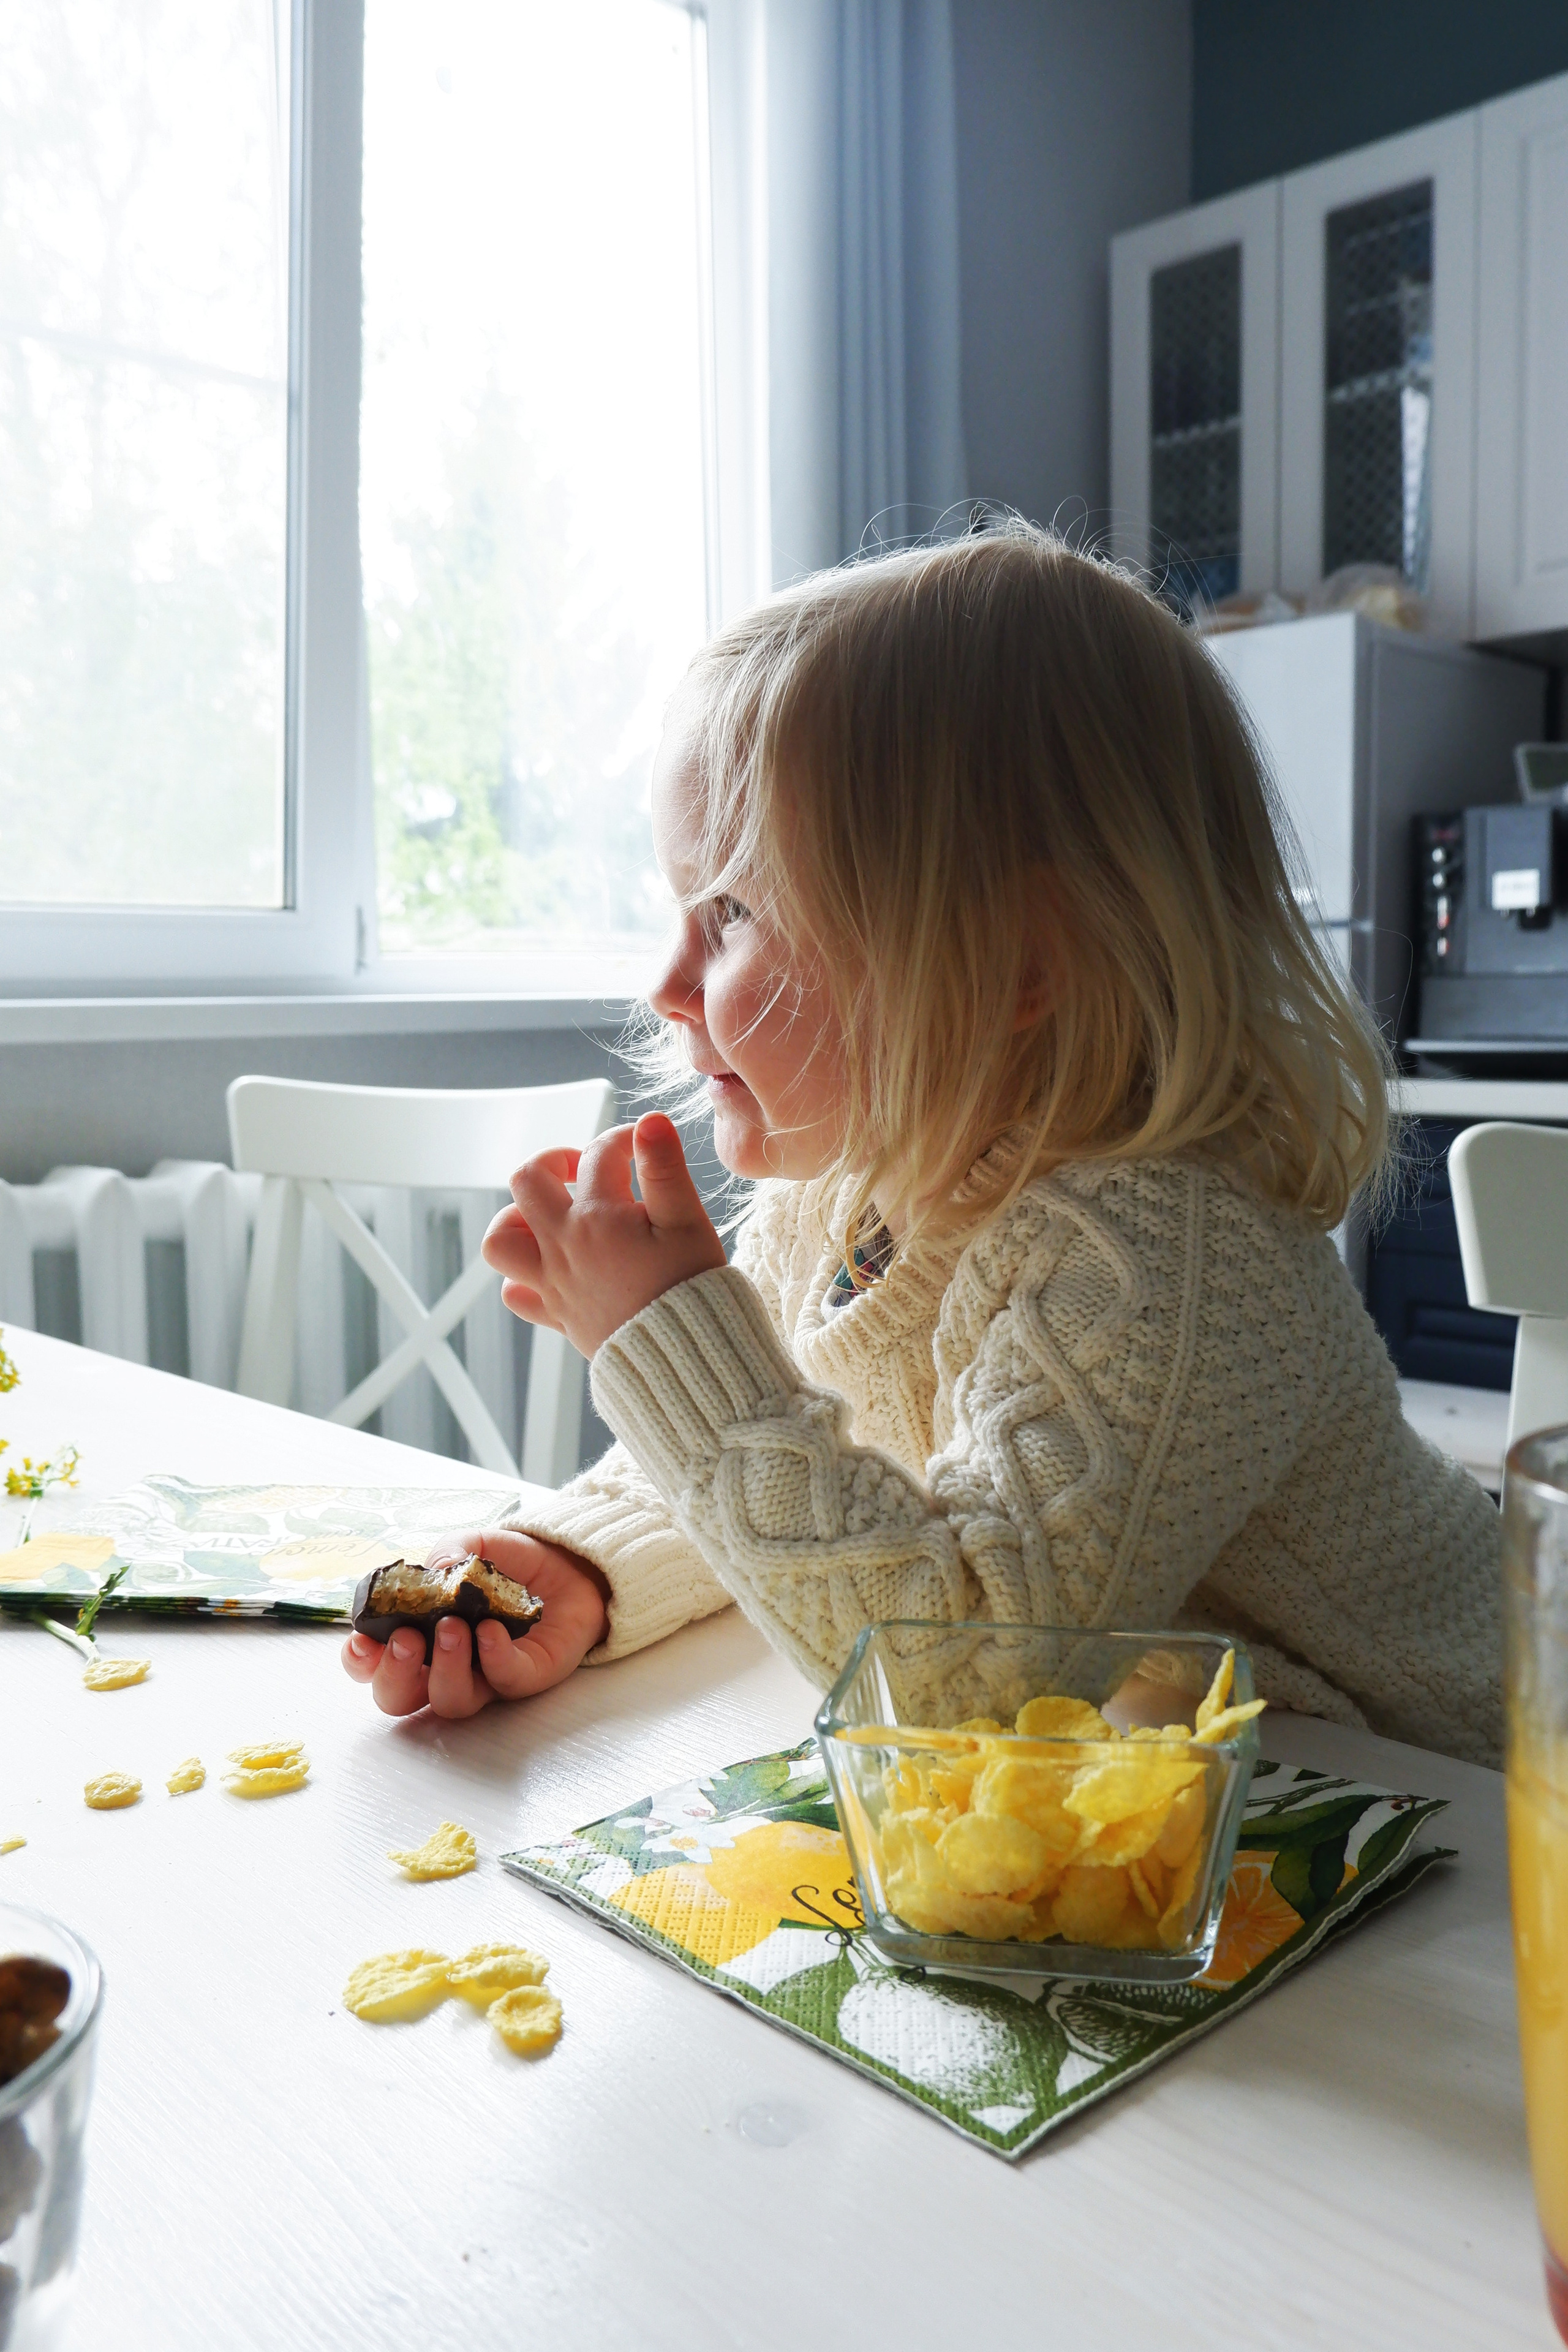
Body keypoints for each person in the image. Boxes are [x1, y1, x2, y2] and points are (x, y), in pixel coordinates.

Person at [342, 525, 1502, 1763]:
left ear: (1019, 960)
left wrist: (673, 1338)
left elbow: (956, 1677)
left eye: (732, 910)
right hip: (1230, 1772)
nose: (668, 982)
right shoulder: (848, 1204)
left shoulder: (1167, 1256)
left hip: (1469, 1794)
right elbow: (800, 1468)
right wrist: (574, 1566)